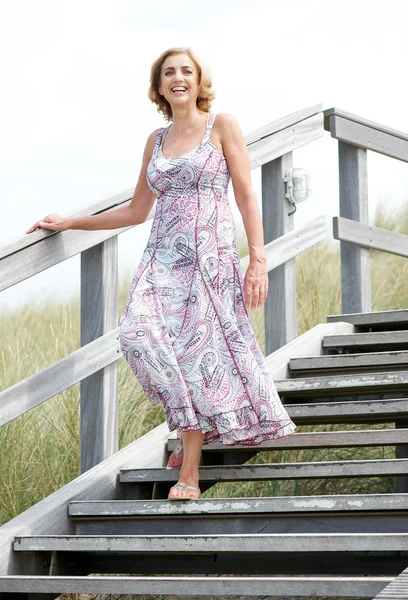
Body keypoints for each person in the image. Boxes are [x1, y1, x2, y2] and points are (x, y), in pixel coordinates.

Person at [27, 46, 296, 501]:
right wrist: (72, 222)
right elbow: (136, 210)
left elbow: (247, 195)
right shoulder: (155, 140)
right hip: (161, 265)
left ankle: (188, 471)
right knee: (136, 337)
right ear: (159, 85)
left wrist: (258, 259)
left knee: (193, 356)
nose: (178, 78)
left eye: (186, 71)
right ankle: (196, 425)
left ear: (198, 81)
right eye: (169, 72)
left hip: (208, 264)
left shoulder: (222, 126)